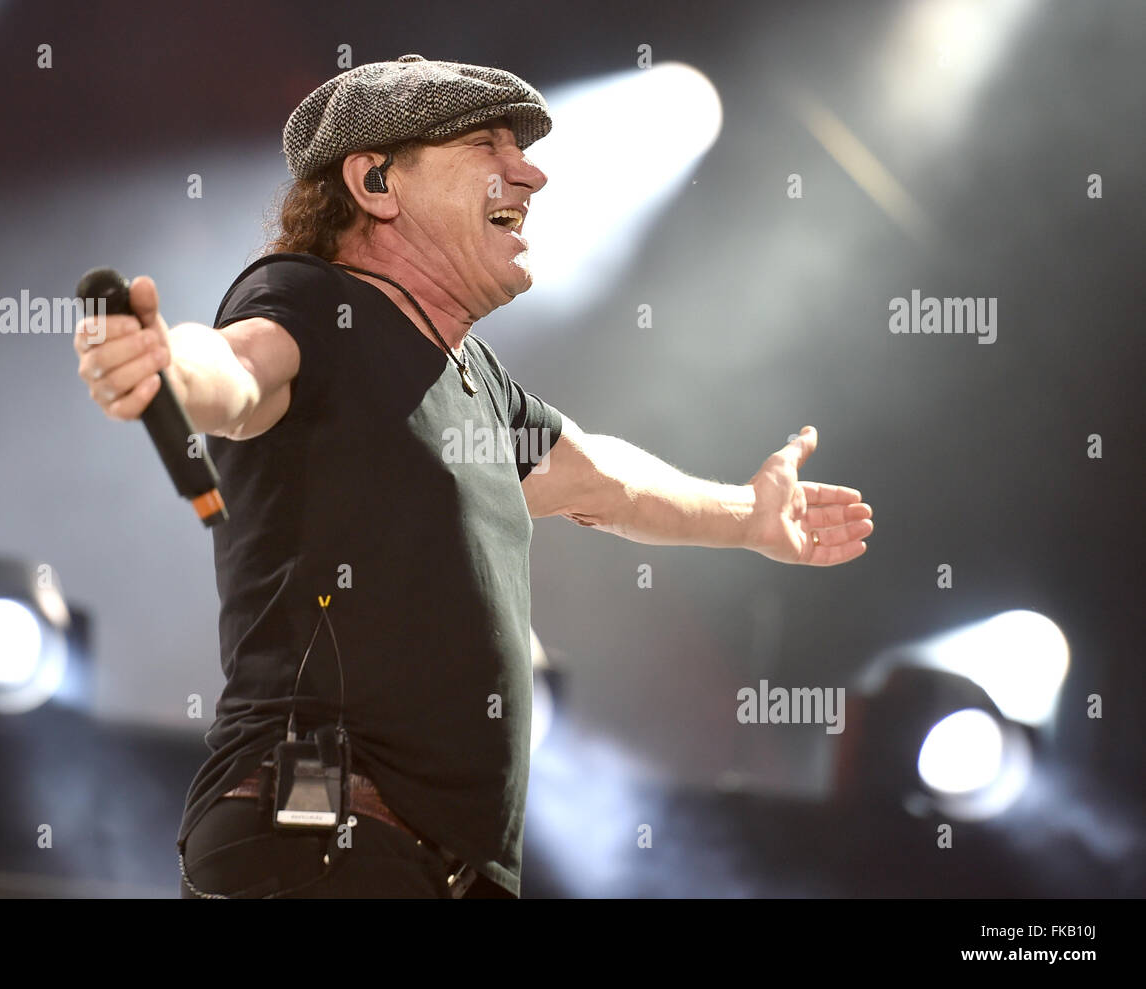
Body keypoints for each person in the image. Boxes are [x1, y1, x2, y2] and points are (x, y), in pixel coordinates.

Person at [73, 54, 874, 899]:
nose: (531, 172)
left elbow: (604, 479)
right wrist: (166, 365)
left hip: (432, 870)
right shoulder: (315, 303)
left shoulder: (475, 380)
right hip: (327, 842)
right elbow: (234, 368)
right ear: (376, 181)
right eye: (489, 145)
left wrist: (748, 512)